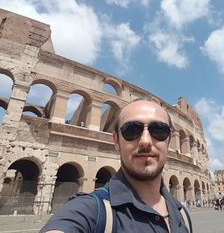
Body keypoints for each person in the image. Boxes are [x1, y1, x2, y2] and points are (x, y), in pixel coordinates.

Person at [40, 99, 192, 233]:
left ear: (169, 141)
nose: (145, 141)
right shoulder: (91, 210)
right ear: (116, 141)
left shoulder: (182, 214)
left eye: (158, 130)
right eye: (131, 130)